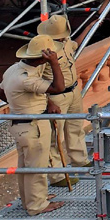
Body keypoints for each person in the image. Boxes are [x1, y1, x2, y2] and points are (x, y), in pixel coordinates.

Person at [0, 35, 66, 214]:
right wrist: (55, 64)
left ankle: (32, 199)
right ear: (43, 58)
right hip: (33, 125)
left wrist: (24, 104)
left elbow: (2, 94)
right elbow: (59, 88)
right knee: (37, 166)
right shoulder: (27, 79)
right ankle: (37, 205)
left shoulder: (13, 70)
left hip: (19, 124)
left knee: (26, 166)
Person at [36, 16, 89, 172]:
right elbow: (37, 80)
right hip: (56, 97)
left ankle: (80, 160)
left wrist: (89, 27)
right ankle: (57, 173)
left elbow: (76, 45)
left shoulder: (66, 42)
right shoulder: (43, 51)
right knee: (55, 137)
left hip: (73, 91)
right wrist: (48, 102)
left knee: (76, 127)